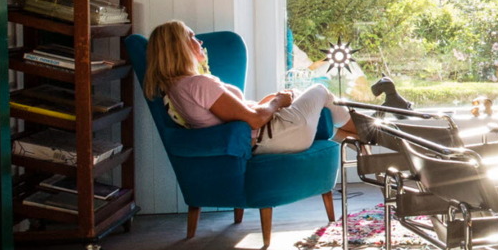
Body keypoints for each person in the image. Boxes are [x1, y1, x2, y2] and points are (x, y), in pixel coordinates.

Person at [142, 21, 346, 152]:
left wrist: (269, 101)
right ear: (180, 47)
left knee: (305, 99)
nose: (200, 42)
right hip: (276, 136)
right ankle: (366, 136)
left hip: (268, 137)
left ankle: (361, 141)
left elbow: (236, 116)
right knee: (321, 91)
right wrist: (277, 101)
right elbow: (254, 120)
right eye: (192, 37)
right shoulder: (198, 84)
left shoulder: (176, 89)